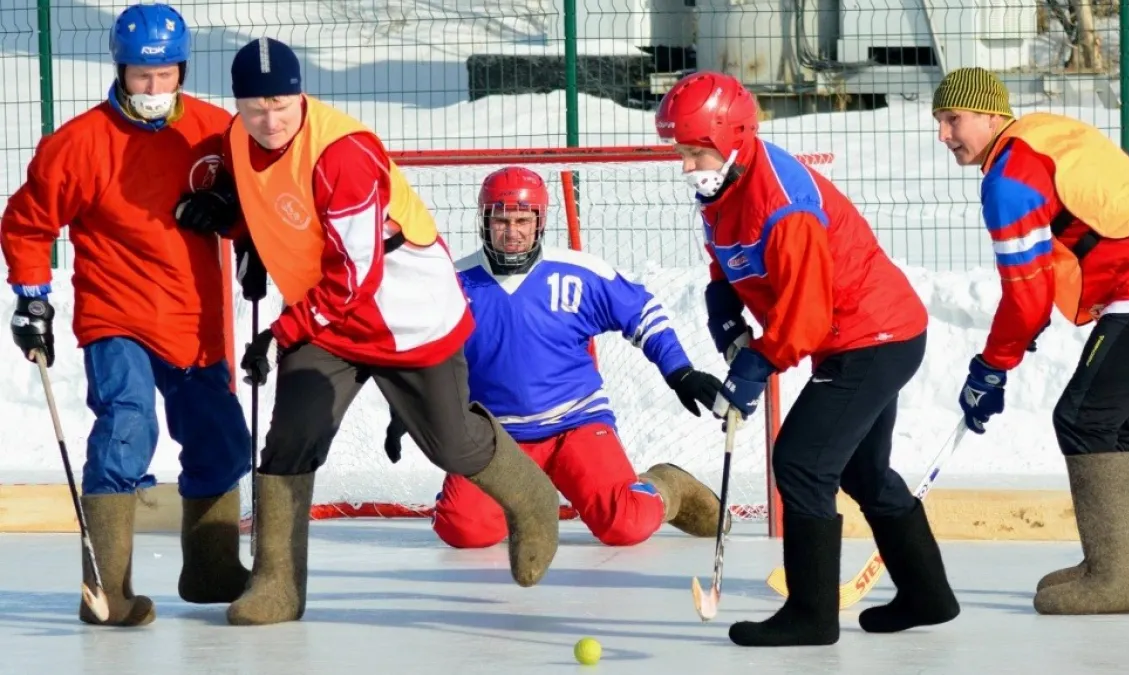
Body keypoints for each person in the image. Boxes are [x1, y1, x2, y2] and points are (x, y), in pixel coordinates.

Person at [172, 37, 561, 627]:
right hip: (327, 321)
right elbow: (267, 200)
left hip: (405, 317)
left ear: (301, 94)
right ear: (238, 104)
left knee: (451, 445)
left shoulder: (342, 154)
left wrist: (279, 334)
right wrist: (234, 221)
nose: (269, 120)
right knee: (289, 437)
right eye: (254, 108)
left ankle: (532, 498)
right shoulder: (236, 138)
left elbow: (355, 276)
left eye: (280, 104)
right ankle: (277, 583)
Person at [656, 70, 960, 647]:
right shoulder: (723, 187)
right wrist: (723, 311)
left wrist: (754, 366)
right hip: (862, 334)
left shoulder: (783, 204)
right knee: (861, 470)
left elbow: (806, 317)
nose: (688, 166)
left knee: (800, 462)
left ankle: (811, 615)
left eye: (696, 152)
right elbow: (729, 260)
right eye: (683, 153)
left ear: (733, 137)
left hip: (872, 336)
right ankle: (928, 595)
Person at [0, 3, 252, 627]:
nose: (154, 88)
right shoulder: (79, 144)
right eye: (141, 75)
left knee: (222, 443)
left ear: (182, 70)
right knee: (126, 427)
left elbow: (259, 198)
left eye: (165, 74)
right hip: (117, 313)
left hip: (196, 316)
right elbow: (29, 222)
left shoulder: (216, 132)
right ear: (119, 70)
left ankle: (212, 570)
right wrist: (32, 296)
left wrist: (232, 212)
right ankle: (107, 590)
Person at [933, 67, 1129, 615]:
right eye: (938, 122)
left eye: (953, 119)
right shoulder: (1040, 135)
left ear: (990, 115)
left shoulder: (1009, 180)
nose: (944, 135)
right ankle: (1122, 566)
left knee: (1084, 419)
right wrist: (1019, 332)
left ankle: (1117, 579)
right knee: (1110, 419)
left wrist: (991, 366)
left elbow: (1025, 294)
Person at [384, 166, 727, 549]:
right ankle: (525, 499)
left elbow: (643, 312)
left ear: (539, 222)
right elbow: (421, 346)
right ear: (484, 221)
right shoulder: (454, 280)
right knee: (462, 530)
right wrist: (407, 406)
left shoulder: (579, 273)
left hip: (575, 424)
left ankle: (668, 486)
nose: (511, 232)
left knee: (624, 526)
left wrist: (679, 371)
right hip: (495, 436)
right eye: (500, 220)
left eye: (522, 220)